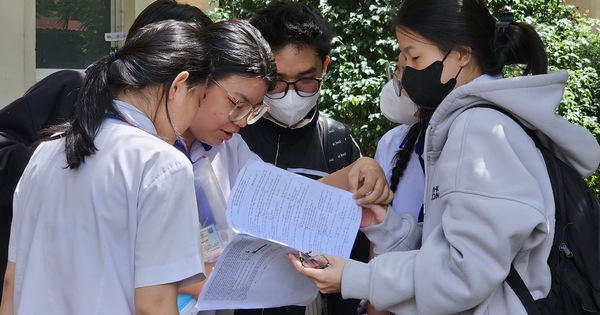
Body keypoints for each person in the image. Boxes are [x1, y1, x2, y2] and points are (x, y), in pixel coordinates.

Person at [288, 0, 600, 314]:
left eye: (414, 56)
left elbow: (463, 273)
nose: (406, 70)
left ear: (461, 55)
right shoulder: (491, 120)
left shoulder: (478, 128)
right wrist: (388, 227)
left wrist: (356, 277)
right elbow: (457, 246)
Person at [0, 0, 213, 301]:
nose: (195, 114)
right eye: (200, 99)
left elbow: (11, 285)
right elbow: (154, 305)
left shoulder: (45, 153)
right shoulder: (164, 165)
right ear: (179, 85)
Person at [238, 1, 370, 314]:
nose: (291, 93)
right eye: (278, 81)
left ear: (324, 66)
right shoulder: (233, 138)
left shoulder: (338, 142)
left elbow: (358, 249)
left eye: (306, 79)